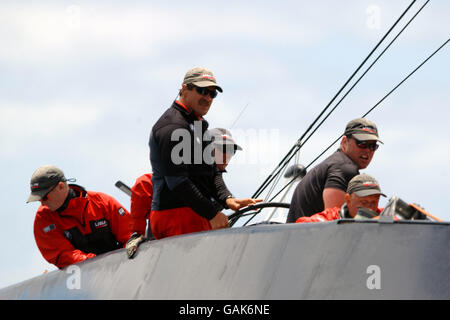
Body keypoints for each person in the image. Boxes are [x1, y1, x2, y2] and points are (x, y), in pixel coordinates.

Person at [148, 67, 261, 239]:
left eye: (212, 94)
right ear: (185, 89)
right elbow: (177, 181)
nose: (208, 98)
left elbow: (212, 171)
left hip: (197, 214)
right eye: (202, 91)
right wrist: (212, 214)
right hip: (175, 217)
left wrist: (228, 199)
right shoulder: (172, 126)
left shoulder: (199, 125)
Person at [27, 165, 132, 268]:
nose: (42, 203)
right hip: (85, 279)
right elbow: (62, 255)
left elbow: (130, 236)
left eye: (44, 197)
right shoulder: (43, 219)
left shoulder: (103, 203)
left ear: (61, 186)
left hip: (121, 269)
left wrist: (121, 263)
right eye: (38, 199)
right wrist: (99, 264)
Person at [286, 118, 382, 222]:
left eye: (372, 146)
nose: (368, 150)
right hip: (310, 236)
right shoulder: (344, 168)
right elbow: (337, 224)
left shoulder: (334, 163)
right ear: (344, 141)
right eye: (362, 143)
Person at [296, 174, 385, 223]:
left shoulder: (383, 215)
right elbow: (302, 224)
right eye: (364, 202)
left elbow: (397, 221)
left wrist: (382, 221)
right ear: (348, 199)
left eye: (374, 202)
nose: (369, 208)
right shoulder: (333, 216)